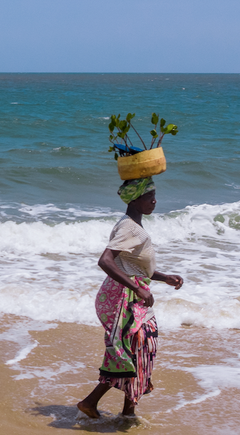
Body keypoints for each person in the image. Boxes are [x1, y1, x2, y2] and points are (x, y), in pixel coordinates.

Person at [77, 176, 183, 419]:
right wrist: (137, 289)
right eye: (149, 196)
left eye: (154, 194)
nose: (154, 200)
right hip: (125, 298)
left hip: (133, 296)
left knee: (140, 349)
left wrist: (164, 277)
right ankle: (92, 403)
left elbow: (134, 266)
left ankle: (127, 410)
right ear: (134, 199)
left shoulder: (133, 225)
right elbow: (105, 260)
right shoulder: (129, 227)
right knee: (134, 349)